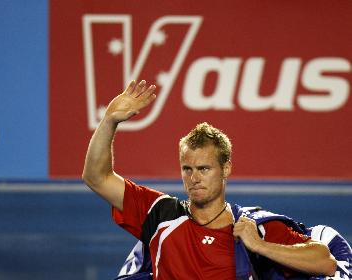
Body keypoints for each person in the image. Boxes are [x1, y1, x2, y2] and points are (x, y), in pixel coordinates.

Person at [82, 80, 337, 279]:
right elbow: (96, 177)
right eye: (187, 169)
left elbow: (324, 261)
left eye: (204, 169)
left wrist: (260, 246)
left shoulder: (252, 226)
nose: (194, 178)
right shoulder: (160, 214)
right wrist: (109, 121)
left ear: (226, 169)